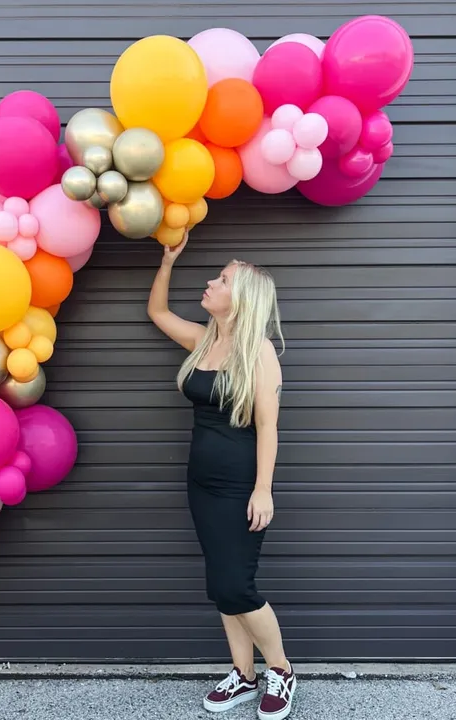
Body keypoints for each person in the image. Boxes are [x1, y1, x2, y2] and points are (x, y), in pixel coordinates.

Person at [147, 232, 296, 720]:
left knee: (237, 586)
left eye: (222, 279)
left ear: (241, 298)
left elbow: (269, 426)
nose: (210, 283)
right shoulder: (205, 339)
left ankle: (281, 669)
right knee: (220, 583)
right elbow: (158, 314)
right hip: (201, 483)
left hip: (239, 486)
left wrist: (263, 490)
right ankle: (244, 674)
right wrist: (168, 261)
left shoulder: (258, 352)